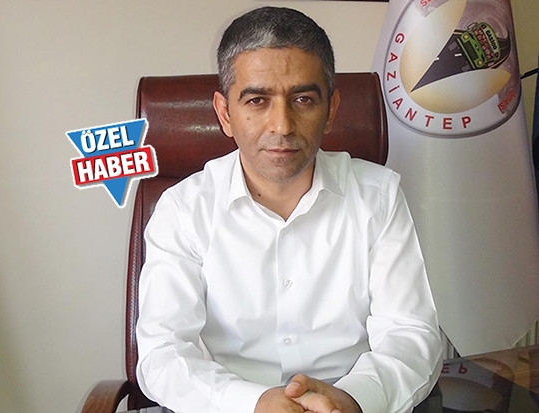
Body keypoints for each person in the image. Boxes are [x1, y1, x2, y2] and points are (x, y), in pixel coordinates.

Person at [136, 6, 442, 413]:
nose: (281, 125)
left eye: (302, 99)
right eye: (257, 100)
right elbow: (163, 354)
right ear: (225, 114)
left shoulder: (378, 197)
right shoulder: (184, 210)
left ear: (331, 109)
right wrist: (254, 403)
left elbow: (411, 334)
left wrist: (353, 398)